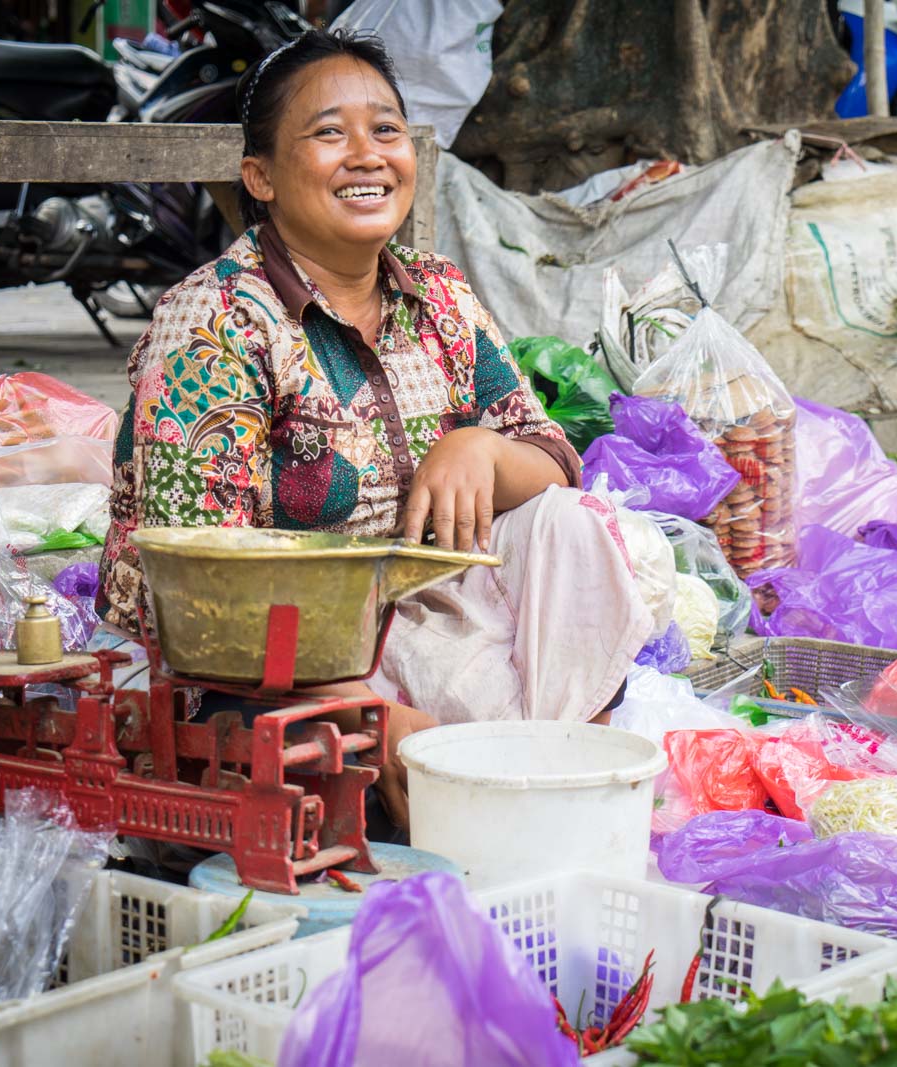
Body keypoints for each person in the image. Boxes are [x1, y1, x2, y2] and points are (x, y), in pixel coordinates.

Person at [96, 28, 654, 833]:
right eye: (328, 133)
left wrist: (482, 448)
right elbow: (196, 592)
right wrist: (371, 717)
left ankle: (557, 770)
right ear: (261, 178)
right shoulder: (215, 322)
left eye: (385, 129)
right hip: (262, 663)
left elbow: (555, 457)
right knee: (434, 768)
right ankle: (479, 784)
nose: (366, 154)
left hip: (416, 623)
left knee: (571, 525)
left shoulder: (439, 296)